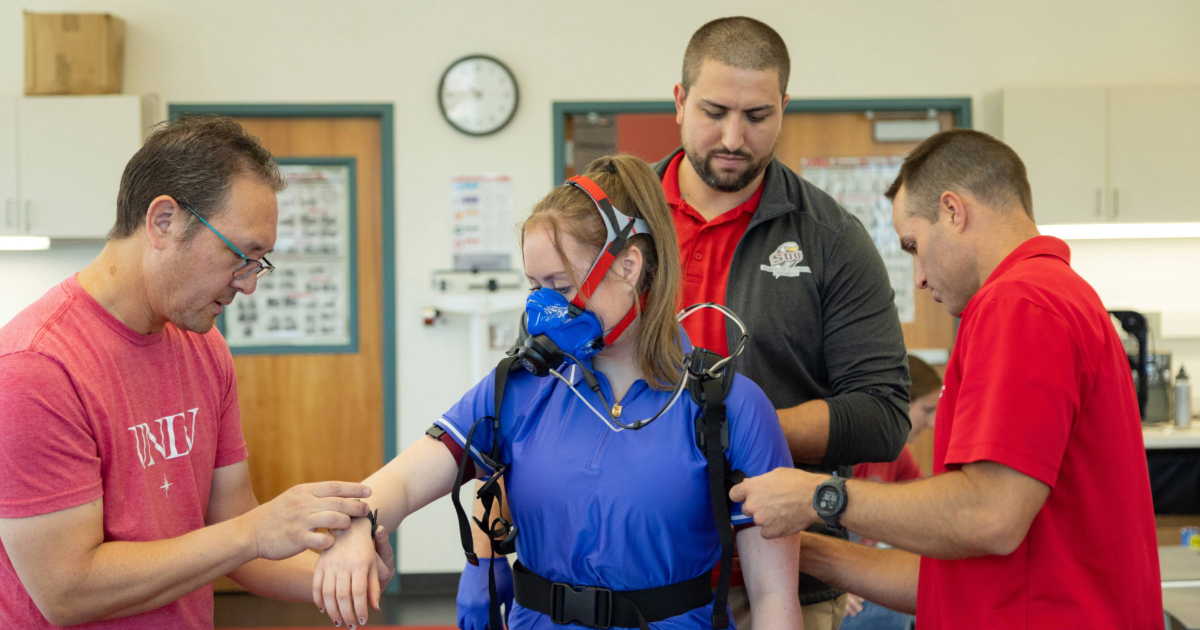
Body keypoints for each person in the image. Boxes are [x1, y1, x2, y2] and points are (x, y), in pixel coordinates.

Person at [312, 155, 803, 630]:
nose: (544, 307)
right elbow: (399, 481)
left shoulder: (727, 407)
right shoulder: (522, 387)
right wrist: (359, 525)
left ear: (628, 266)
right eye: (534, 285)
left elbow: (774, 596)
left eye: (561, 285)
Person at [730, 129, 1163, 629]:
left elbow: (989, 516)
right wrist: (803, 551)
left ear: (954, 212)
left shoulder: (1019, 303)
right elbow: (956, 570)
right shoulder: (1055, 296)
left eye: (913, 245)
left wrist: (817, 496)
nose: (916, 277)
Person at [0, 116, 394, 629]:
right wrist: (255, 530)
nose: (248, 285)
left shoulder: (203, 346)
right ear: (164, 222)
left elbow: (230, 528)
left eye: (259, 263)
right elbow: (67, 588)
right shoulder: (36, 368)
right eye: (241, 255)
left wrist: (341, 574)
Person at [656, 17, 911, 630]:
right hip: (632, 575)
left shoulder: (831, 241)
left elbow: (882, 416)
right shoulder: (616, 227)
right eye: (715, 111)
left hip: (786, 576)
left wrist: (732, 432)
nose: (734, 137)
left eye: (758, 116)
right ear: (680, 100)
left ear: (785, 108)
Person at [840, 355, 941, 630]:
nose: (932, 423)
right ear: (900, 404)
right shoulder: (848, 449)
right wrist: (834, 586)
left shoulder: (897, 454)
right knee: (884, 610)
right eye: (928, 409)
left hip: (863, 571)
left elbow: (923, 512)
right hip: (837, 578)